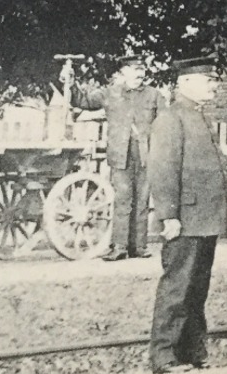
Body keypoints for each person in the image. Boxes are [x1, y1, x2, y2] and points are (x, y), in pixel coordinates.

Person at [147, 57, 227, 373]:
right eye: (207, 80)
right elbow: (163, 170)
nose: (214, 85)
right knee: (177, 288)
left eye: (213, 79)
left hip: (204, 219)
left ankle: (193, 351)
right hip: (184, 219)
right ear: (184, 83)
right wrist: (169, 216)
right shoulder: (171, 119)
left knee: (197, 289)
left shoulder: (199, 117)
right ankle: (163, 356)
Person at [70, 54, 164, 261]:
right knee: (122, 200)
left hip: (146, 156)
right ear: (123, 72)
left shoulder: (154, 95)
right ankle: (119, 246)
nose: (139, 73)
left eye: (141, 70)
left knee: (142, 201)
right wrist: (70, 82)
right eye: (134, 69)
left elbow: (164, 125)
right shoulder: (110, 93)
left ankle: (139, 247)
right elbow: (81, 100)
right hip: (120, 156)